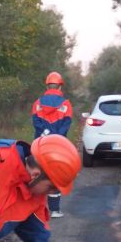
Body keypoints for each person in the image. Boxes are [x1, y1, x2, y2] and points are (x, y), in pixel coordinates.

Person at [31, 71, 73, 218]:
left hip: (39, 145)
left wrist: (45, 133)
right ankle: (54, 210)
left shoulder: (37, 103)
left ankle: (35, 211)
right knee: (54, 175)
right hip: (57, 147)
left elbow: (36, 122)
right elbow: (66, 124)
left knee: (37, 175)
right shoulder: (66, 104)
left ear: (47, 85)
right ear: (60, 86)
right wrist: (55, 137)